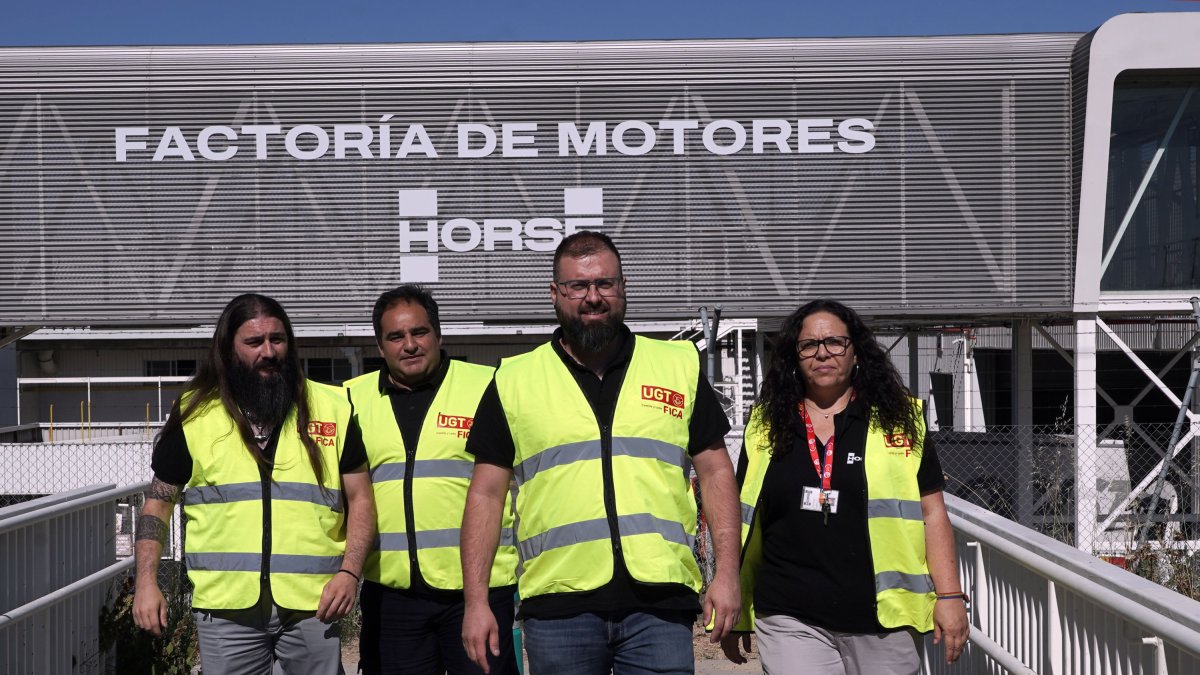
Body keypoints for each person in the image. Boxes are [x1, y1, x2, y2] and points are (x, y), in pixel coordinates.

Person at [460, 231, 742, 675]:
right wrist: (476, 601)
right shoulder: (514, 380)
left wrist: (727, 575)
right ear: (555, 294)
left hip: (659, 606)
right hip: (558, 608)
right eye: (578, 286)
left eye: (604, 284)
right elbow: (485, 496)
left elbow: (716, 473)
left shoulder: (676, 365)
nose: (593, 297)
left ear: (623, 286)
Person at [719, 299, 969, 674]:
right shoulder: (764, 424)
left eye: (835, 342)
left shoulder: (901, 422)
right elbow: (743, 518)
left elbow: (932, 513)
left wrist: (950, 595)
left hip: (883, 619)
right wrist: (734, 597)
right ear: (794, 356)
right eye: (809, 345)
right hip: (790, 615)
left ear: (856, 353)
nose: (822, 353)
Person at [133, 293, 375, 674]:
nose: (268, 351)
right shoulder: (195, 412)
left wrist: (349, 574)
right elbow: (157, 504)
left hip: (314, 604)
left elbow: (361, 499)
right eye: (254, 342)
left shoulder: (333, 406)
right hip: (226, 607)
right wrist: (145, 582)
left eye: (277, 340)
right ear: (228, 350)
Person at [345, 285, 519, 674]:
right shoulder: (350, 400)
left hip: (477, 592)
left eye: (419, 332)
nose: (409, 345)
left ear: (439, 335)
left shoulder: (489, 386)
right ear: (380, 345)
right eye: (396, 336)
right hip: (392, 598)